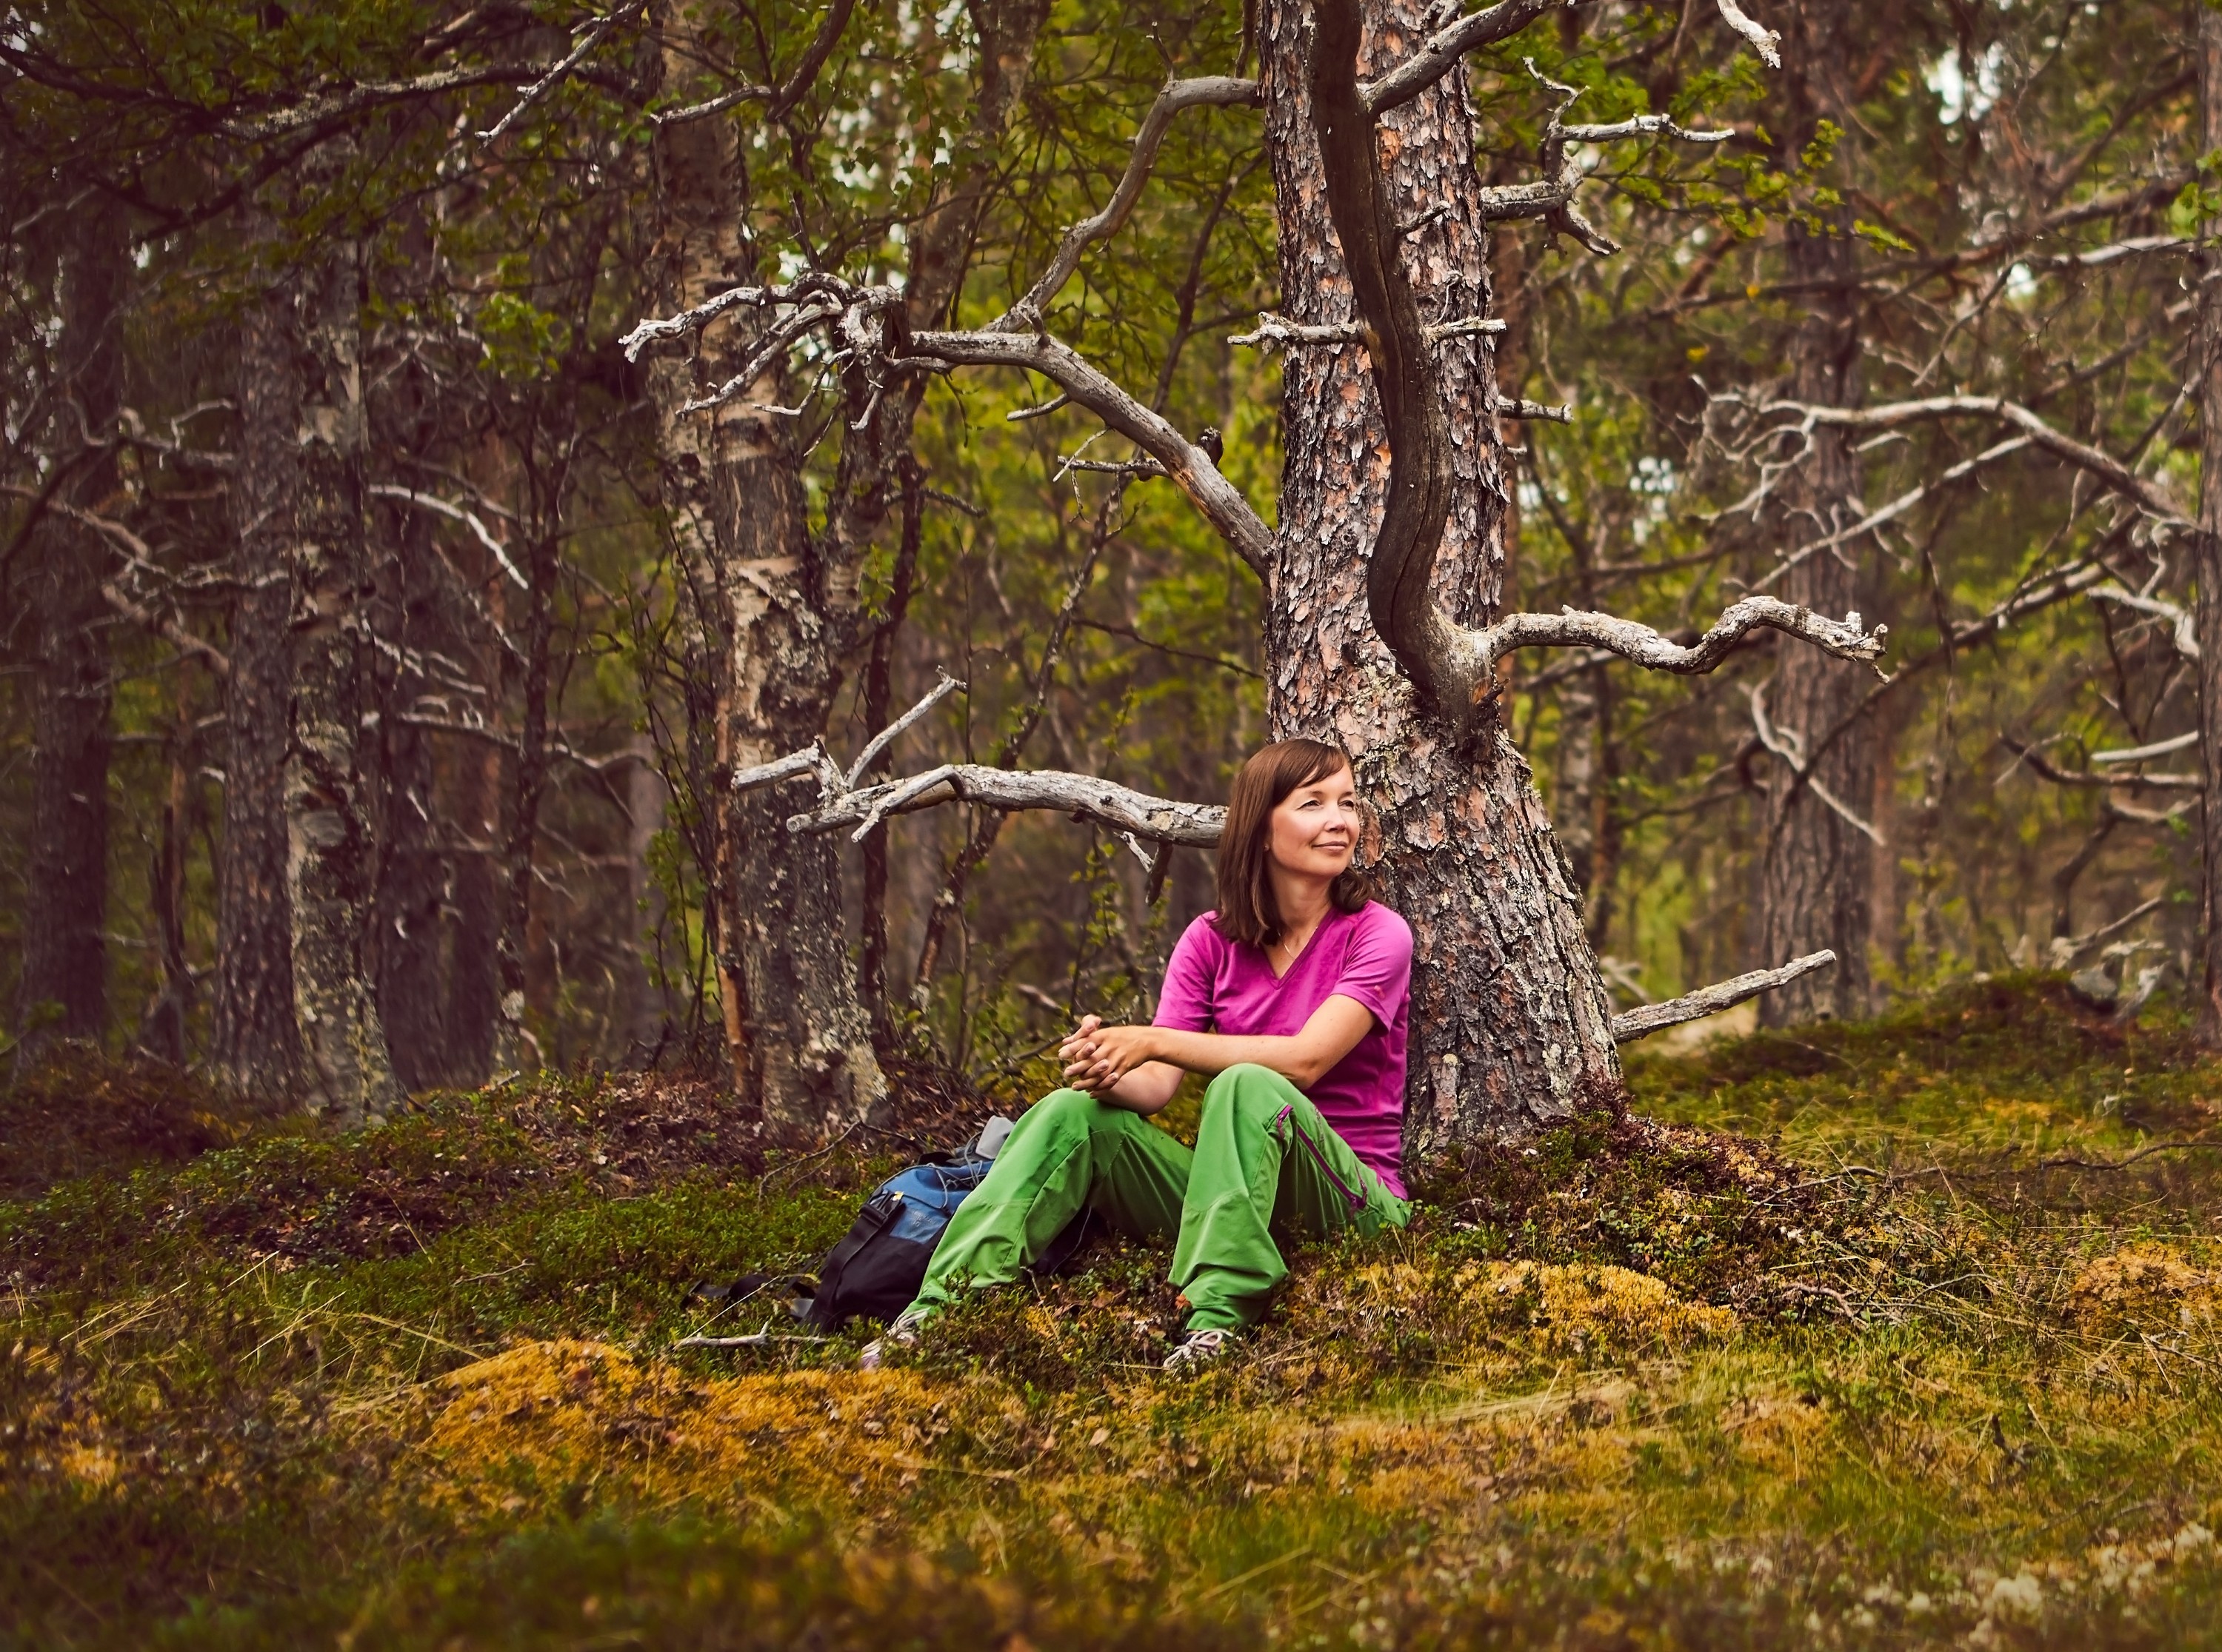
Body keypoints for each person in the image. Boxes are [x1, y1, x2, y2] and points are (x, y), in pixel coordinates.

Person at [862, 738, 1414, 1372]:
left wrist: (1150, 1037)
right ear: (1261, 828)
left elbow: (1305, 1060)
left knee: (1246, 1085)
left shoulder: (1378, 933)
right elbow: (1156, 1088)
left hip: (1352, 1200)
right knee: (1072, 1112)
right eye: (1313, 803)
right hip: (1229, 1192)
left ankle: (1215, 1322)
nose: (1339, 820)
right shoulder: (1210, 941)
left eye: (1346, 802)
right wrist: (1107, 1066)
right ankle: (942, 1309)